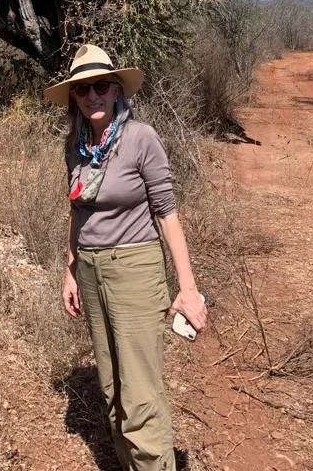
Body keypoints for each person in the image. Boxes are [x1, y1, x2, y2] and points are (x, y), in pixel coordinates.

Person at [44, 44, 207, 471]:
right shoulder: (75, 147)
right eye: (82, 89)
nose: (92, 95)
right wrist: (70, 271)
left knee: (139, 397)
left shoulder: (140, 138)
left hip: (135, 268)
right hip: (92, 272)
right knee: (113, 390)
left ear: (117, 90)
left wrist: (187, 290)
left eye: (101, 86)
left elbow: (167, 213)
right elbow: (77, 211)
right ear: (74, 97)